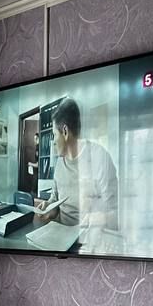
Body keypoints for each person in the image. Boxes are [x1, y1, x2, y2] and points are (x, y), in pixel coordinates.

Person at [35, 98, 118, 231]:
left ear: (65, 132)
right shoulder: (59, 162)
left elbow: (116, 214)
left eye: (54, 134)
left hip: (89, 237)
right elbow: (55, 200)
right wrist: (49, 207)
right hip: (61, 235)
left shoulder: (100, 158)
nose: (53, 141)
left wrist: (97, 218)